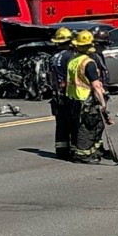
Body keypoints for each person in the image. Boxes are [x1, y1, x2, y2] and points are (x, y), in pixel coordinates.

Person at [64, 30, 112, 164]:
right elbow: (96, 85)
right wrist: (102, 103)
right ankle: (83, 155)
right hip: (86, 99)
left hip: (73, 97)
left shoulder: (73, 60)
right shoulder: (89, 62)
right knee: (87, 127)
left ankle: (88, 152)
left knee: (78, 126)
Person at [46, 27, 76, 160]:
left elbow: (50, 76)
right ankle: (75, 150)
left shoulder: (52, 57)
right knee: (73, 122)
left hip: (56, 95)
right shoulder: (70, 56)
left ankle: (61, 150)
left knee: (61, 124)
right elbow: (72, 75)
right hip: (68, 94)